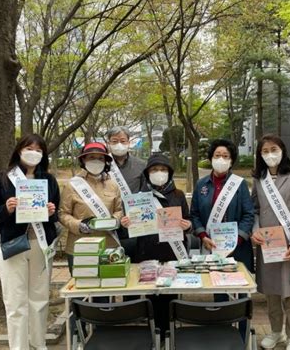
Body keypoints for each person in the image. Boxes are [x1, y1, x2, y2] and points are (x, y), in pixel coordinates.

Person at [0, 134, 60, 350]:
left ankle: (38, 343)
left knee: (39, 298)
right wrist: (6, 208)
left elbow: (56, 213)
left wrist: (51, 212)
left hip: (41, 245)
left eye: (38, 149)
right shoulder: (2, 179)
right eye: (29, 148)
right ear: (19, 150)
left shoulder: (49, 180)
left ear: (43, 154)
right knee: (15, 302)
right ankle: (19, 347)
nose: (33, 152)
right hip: (13, 245)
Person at [121, 153, 192, 337]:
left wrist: (188, 225)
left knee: (170, 295)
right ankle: (155, 332)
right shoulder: (139, 198)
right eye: (154, 169)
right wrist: (127, 223)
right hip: (148, 254)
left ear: (169, 172)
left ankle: (170, 332)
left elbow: (188, 220)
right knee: (152, 296)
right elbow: (131, 230)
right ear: (147, 173)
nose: (159, 173)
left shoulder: (179, 195)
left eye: (163, 169)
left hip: (173, 253)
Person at [190, 138, 254, 338]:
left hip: (239, 248)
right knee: (219, 291)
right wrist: (202, 235)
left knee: (241, 293)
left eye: (225, 156)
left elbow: (248, 214)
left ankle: (242, 335)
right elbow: (194, 214)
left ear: (232, 160)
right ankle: (223, 334)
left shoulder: (240, 184)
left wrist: (238, 239)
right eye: (217, 156)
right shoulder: (202, 184)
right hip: (212, 247)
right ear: (210, 159)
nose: (221, 159)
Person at [250, 134, 290, 350]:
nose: (270, 154)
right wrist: (254, 231)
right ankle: (276, 332)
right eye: (264, 151)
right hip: (268, 245)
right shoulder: (258, 179)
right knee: (272, 292)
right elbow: (254, 209)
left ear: (282, 150)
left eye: (273, 149)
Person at [59, 142, 123, 274]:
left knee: (105, 289)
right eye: (91, 158)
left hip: (108, 245)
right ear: (83, 160)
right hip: (80, 245)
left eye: (100, 158)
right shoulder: (72, 185)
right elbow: (62, 214)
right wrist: (79, 225)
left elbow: (119, 210)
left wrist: (114, 221)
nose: (96, 161)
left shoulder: (113, 185)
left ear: (106, 161)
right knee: (81, 288)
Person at [106, 126, 146, 260]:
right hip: (108, 222)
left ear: (129, 142)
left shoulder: (141, 165)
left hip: (134, 224)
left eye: (123, 141)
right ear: (108, 143)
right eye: (114, 141)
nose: (119, 144)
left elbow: (145, 193)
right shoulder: (102, 165)